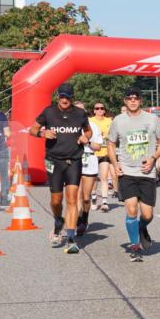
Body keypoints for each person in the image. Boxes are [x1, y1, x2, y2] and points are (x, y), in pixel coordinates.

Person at [29, 85, 92, 254]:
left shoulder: (79, 113)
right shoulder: (48, 112)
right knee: (56, 200)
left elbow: (88, 131)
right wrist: (43, 134)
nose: (65, 100)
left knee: (72, 200)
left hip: (74, 160)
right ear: (58, 96)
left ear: (72, 97)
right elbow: (32, 129)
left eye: (68, 97)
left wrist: (85, 137)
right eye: (62, 97)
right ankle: (58, 219)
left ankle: (71, 238)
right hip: (54, 160)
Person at [107, 89, 160, 263]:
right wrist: (115, 164)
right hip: (127, 171)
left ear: (140, 101)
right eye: (129, 99)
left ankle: (141, 229)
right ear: (125, 101)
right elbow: (110, 144)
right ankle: (135, 246)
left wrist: (154, 158)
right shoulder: (118, 120)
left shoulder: (152, 119)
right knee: (132, 209)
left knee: (147, 215)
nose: (132, 101)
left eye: (136, 98)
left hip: (146, 172)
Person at [74, 101, 104, 237]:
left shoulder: (93, 126)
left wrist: (88, 142)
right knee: (76, 196)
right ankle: (77, 221)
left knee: (86, 198)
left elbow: (98, 147)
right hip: (74, 161)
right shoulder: (69, 126)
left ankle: (84, 217)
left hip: (89, 160)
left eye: (81, 111)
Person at [90, 102, 116, 211]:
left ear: (104, 110)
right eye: (97, 108)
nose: (100, 110)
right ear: (94, 110)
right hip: (93, 152)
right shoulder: (90, 121)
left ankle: (105, 202)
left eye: (102, 108)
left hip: (105, 152)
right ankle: (94, 196)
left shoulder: (109, 121)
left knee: (104, 177)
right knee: (94, 178)